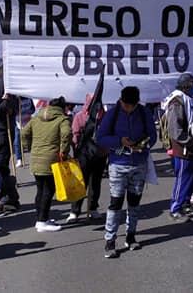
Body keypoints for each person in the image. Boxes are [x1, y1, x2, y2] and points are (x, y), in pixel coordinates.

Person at [96, 86, 157, 258]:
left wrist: (143, 144)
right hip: (117, 164)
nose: (129, 108)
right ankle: (110, 240)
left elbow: (152, 135)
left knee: (134, 203)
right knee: (115, 203)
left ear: (137, 102)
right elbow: (101, 137)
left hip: (139, 163)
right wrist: (119, 141)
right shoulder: (113, 114)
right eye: (126, 105)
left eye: (132, 105)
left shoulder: (144, 113)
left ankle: (131, 236)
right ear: (121, 101)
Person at [19, 96, 72, 232]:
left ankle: (41, 219)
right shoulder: (62, 119)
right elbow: (67, 134)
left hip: (36, 157)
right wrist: (63, 152)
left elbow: (23, 133)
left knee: (40, 189)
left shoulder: (36, 118)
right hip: (51, 159)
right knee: (48, 190)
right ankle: (42, 221)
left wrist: (29, 147)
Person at [164, 73, 193, 221]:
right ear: (187, 86)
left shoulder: (189, 100)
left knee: (191, 178)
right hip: (184, 148)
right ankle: (175, 208)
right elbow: (175, 129)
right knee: (183, 178)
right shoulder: (177, 102)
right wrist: (190, 142)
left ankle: (186, 204)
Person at [66, 93, 108, 223]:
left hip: (100, 155)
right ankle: (75, 210)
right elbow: (75, 134)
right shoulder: (80, 117)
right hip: (84, 155)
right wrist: (77, 149)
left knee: (95, 183)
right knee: (81, 183)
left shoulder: (105, 117)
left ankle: (92, 208)